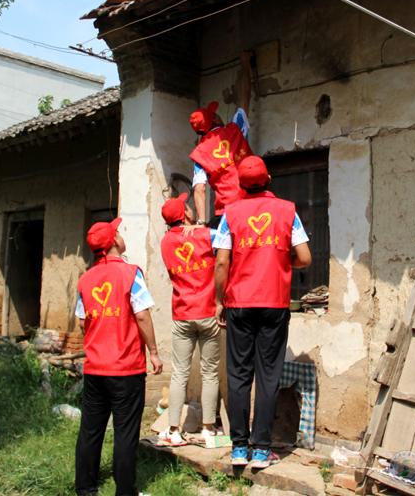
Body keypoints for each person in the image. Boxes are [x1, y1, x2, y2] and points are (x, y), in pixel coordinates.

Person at [212, 156, 312, 469]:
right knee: (268, 377)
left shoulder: (230, 214)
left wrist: (219, 300)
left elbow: (221, 262)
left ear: (241, 185)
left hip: (239, 303)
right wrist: (281, 261)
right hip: (274, 303)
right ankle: (261, 450)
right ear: (268, 179)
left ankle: (239, 447)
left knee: (239, 375)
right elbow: (305, 258)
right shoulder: (287, 210)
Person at [74, 218, 163, 496]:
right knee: (125, 431)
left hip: (95, 367)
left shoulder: (86, 279)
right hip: (126, 368)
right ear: (113, 241)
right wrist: (154, 352)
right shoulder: (130, 274)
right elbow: (142, 315)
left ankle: (85, 488)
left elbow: (82, 321)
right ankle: (125, 491)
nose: (122, 236)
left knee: (91, 429)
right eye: (119, 233)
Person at [157, 193, 221, 446]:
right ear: (185, 214)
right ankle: (208, 429)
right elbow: (228, 239)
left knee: (179, 373)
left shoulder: (165, 242)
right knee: (210, 373)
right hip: (208, 311)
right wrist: (201, 227)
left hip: (182, 313)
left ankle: (173, 430)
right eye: (188, 206)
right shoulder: (206, 235)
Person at [189, 70, 253, 228]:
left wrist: (201, 222)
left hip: (225, 212)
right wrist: (245, 65)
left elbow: (199, 188)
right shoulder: (235, 129)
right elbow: (244, 99)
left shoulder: (199, 154)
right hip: (250, 204)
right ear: (215, 119)